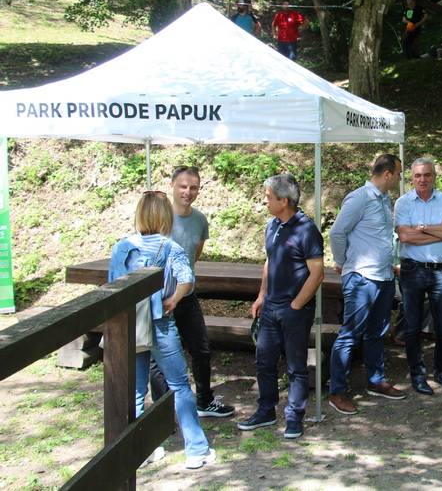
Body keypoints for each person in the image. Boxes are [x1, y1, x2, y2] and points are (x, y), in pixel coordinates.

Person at [108, 191, 215, 470]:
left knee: (135, 390)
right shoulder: (171, 248)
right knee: (179, 385)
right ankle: (196, 450)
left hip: (131, 324)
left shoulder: (121, 247)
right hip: (161, 322)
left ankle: (139, 451)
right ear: (165, 216)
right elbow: (187, 281)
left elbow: (112, 286)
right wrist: (173, 300)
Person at [237, 174, 324, 440]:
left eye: (268, 197)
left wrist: (296, 305)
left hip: (294, 310)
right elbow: (269, 261)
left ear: (284, 200)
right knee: (264, 361)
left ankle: (294, 417)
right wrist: (261, 296)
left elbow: (317, 273)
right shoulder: (272, 226)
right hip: (270, 308)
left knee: (296, 366)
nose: (264, 201)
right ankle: (266, 411)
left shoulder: (306, 230)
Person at [149, 166, 235, 419]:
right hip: (160, 298)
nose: (188, 192)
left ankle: (204, 401)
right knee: (159, 356)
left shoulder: (199, 220)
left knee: (201, 348)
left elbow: (193, 254)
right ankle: (163, 413)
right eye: (183, 186)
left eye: (193, 187)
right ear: (172, 186)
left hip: (186, 296)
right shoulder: (159, 218)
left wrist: (182, 287)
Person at [328, 154, 407, 414]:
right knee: (350, 335)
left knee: (377, 332)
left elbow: (381, 237)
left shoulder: (384, 199)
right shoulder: (359, 198)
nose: (399, 178)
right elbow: (337, 232)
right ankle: (337, 392)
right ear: (387, 174)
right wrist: (343, 262)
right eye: (398, 174)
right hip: (361, 278)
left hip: (384, 277)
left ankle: (375, 380)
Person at [395, 158, 442, 395]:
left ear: (434, 176)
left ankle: (441, 371)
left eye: (427, 175)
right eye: (418, 175)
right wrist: (440, 231)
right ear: (411, 178)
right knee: (412, 326)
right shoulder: (403, 203)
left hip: (440, 270)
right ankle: (418, 374)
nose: (422, 179)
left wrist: (423, 228)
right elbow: (405, 236)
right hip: (412, 270)